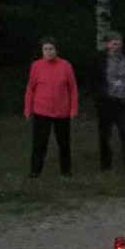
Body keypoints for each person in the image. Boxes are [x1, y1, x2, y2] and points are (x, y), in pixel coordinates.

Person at [24, 37, 78, 177]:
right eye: (46, 49)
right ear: (42, 51)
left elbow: (73, 88)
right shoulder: (36, 66)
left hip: (62, 111)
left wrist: (73, 109)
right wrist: (28, 109)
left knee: (64, 143)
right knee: (39, 143)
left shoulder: (65, 66)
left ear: (56, 50)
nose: (48, 52)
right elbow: (31, 88)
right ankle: (35, 172)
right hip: (41, 110)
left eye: (51, 49)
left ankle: (66, 172)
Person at [94, 31, 125, 170]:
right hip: (106, 102)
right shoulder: (100, 59)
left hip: (123, 101)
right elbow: (96, 79)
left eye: (118, 43)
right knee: (105, 134)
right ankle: (105, 165)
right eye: (113, 43)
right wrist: (100, 97)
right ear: (108, 44)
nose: (116, 46)